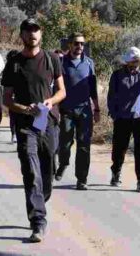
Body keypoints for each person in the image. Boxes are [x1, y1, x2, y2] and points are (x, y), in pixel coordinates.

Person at [2, 18, 66, 243]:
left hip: (48, 122)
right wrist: (23, 109)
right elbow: (6, 98)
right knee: (31, 171)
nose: (32, 34)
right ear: (21, 35)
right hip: (25, 125)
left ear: (41, 34)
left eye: (36, 30)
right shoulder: (14, 63)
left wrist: (50, 101)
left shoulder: (52, 59)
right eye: (28, 31)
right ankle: (38, 220)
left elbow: (62, 91)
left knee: (47, 171)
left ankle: (40, 199)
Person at [107, 46, 140, 193]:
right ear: (127, 61)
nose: (136, 63)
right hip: (122, 117)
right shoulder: (117, 75)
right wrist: (114, 114)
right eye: (134, 60)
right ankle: (116, 172)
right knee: (119, 148)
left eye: (138, 60)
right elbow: (111, 96)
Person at [56, 33, 100, 191]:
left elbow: (93, 88)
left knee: (84, 145)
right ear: (70, 44)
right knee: (65, 143)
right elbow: (56, 86)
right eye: (76, 43)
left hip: (84, 110)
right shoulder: (61, 62)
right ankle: (63, 163)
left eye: (82, 43)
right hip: (66, 110)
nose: (80, 46)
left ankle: (82, 179)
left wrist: (96, 108)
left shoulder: (89, 63)